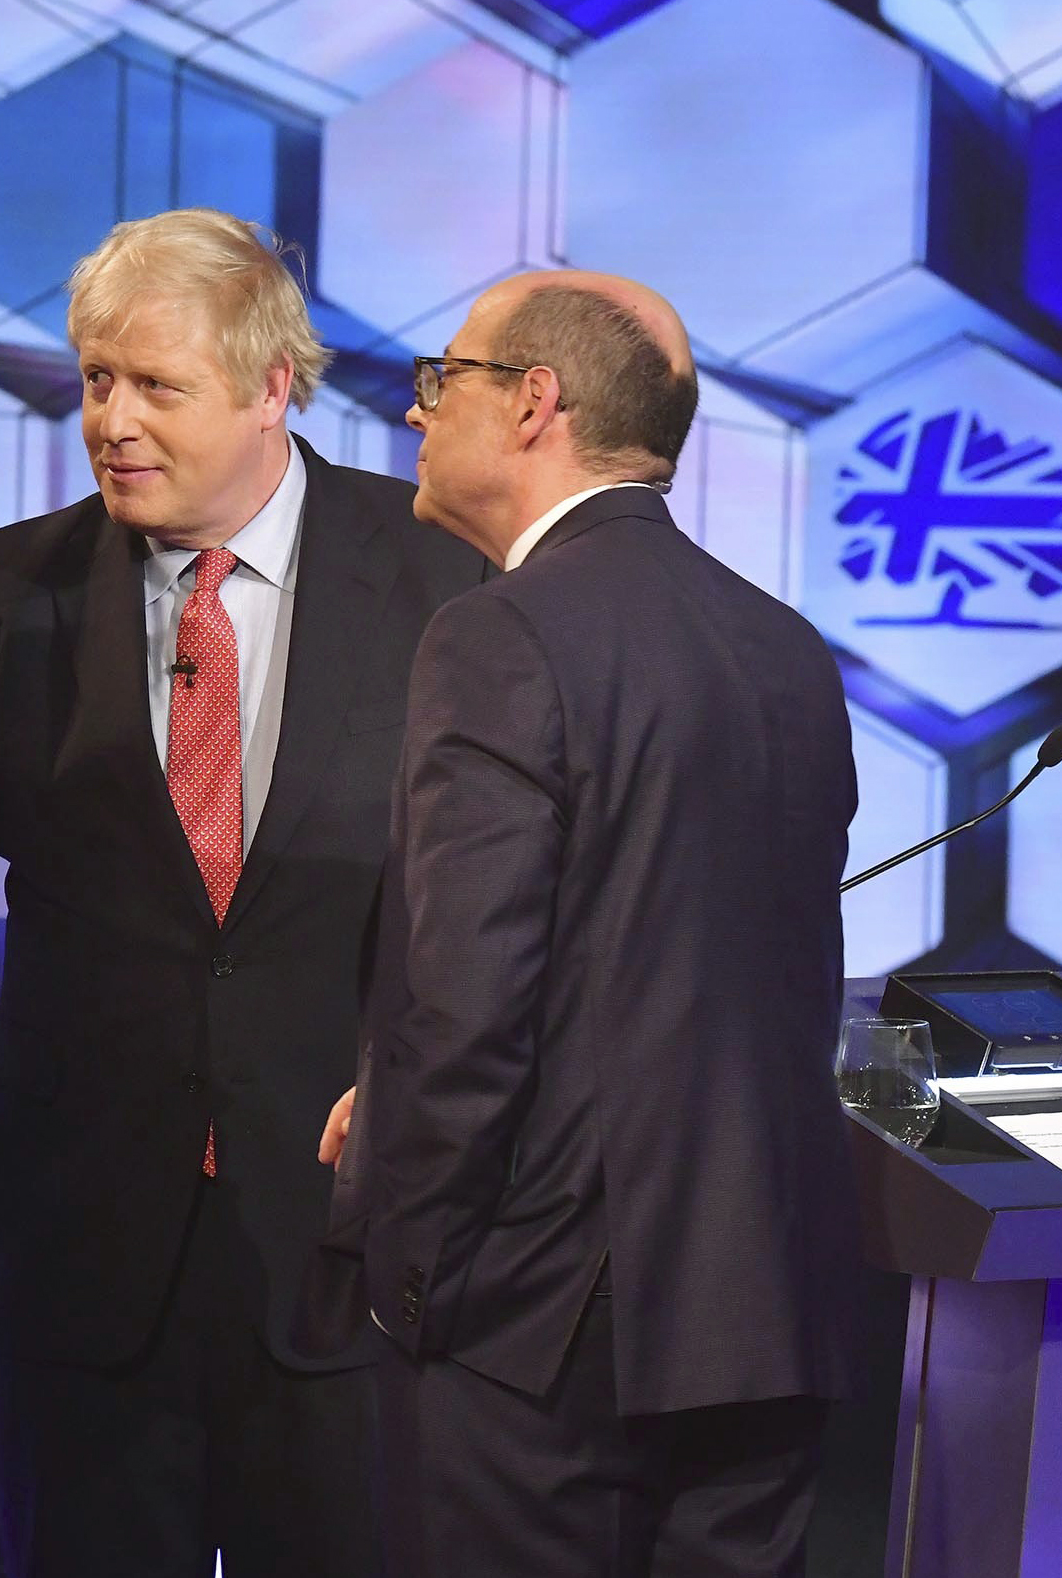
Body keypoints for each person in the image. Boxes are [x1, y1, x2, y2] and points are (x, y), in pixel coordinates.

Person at [0, 207, 486, 1576]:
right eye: (93, 380)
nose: (110, 421)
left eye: (155, 386)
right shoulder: (5, 591)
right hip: (82, 1245)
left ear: (268, 390)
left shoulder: (441, 582)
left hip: (346, 1237)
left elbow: (508, 888)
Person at [316, 270, 862, 1577]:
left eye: (441, 379)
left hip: (543, 1334)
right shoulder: (784, 645)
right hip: (766, 1300)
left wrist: (407, 1275)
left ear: (532, 403)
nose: (411, 413)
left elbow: (467, 1002)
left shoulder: (500, 635)